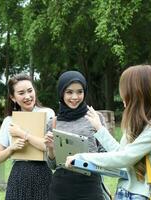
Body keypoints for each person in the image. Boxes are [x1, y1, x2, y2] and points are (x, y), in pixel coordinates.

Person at [65, 65, 151, 200]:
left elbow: (125, 157)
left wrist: (82, 157)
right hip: (124, 192)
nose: (122, 96)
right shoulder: (136, 123)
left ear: (137, 93)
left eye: (125, 92)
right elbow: (120, 152)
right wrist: (99, 129)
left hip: (143, 196)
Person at [44, 70, 108, 200]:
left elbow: (106, 154)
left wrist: (87, 158)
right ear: (61, 93)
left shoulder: (95, 118)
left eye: (80, 91)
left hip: (90, 185)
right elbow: (52, 165)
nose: (75, 97)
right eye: (69, 92)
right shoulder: (53, 123)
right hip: (61, 187)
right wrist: (51, 148)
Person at [0, 73, 55, 200]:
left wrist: (22, 134)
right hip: (19, 175)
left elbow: (47, 146)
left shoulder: (47, 114)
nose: (27, 96)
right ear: (13, 97)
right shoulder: (9, 121)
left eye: (30, 91)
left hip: (43, 173)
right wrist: (12, 148)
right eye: (21, 93)